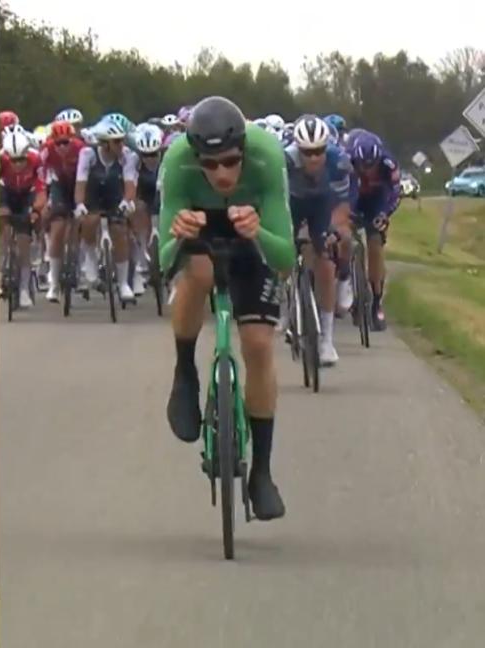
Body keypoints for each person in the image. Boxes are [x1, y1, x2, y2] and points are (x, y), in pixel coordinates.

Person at [158, 96, 295, 520]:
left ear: (244, 151)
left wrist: (258, 233)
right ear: (195, 157)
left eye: (231, 162)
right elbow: (163, 262)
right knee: (196, 273)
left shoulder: (268, 155)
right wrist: (178, 238)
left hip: (253, 230)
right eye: (210, 164)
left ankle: (262, 472)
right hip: (201, 226)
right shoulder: (177, 160)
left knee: (258, 344)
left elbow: (285, 259)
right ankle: (185, 371)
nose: (221, 173)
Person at [283, 115, 354, 365]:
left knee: (325, 262)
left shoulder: (337, 162)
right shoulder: (285, 161)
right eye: (307, 152)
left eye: (318, 151)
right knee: (281, 252)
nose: (313, 158)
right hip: (291, 204)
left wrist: (335, 230)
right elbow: (275, 202)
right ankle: (285, 303)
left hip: (322, 205)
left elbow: (342, 205)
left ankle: (326, 340)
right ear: (297, 149)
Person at [74, 120, 139, 301]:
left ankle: (123, 283)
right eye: (116, 142)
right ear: (104, 144)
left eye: (122, 140)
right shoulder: (88, 154)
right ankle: (91, 261)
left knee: (119, 231)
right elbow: (80, 182)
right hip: (93, 192)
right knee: (89, 221)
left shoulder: (127, 156)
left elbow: (129, 184)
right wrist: (79, 204)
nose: (121, 145)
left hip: (114, 192)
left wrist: (126, 201)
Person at [344, 130, 400, 331]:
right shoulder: (345, 161)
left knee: (375, 244)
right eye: (363, 166)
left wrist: (385, 214)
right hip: (351, 197)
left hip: (376, 200)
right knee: (343, 237)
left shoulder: (388, 164)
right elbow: (336, 192)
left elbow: (395, 193)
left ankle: (376, 302)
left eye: (372, 166)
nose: (367, 170)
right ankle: (346, 284)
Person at [39, 120, 86, 302]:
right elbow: (41, 174)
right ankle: (54, 282)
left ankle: (79, 265)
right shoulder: (46, 150)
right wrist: (44, 199)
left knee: (80, 224)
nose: (62, 147)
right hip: (59, 185)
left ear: (72, 140)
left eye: (66, 142)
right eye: (58, 143)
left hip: (79, 184)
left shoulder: (81, 149)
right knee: (57, 228)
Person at [0, 129, 47, 309]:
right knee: (3, 218)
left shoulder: (36, 160)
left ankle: (24, 289)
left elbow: (41, 190)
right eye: (14, 160)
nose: (18, 164)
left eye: (21, 160)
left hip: (27, 194)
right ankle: (3, 260)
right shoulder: (1, 159)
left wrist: (36, 210)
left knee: (23, 243)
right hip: (6, 191)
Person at [131, 124, 164, 296]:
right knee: (138, 208)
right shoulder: (134, 161)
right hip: (143, 191)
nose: (150, 159)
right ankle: (142, 249)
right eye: (146, 155)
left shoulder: (168, 157)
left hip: (163, 191)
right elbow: (130, 184)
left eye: (154, 154)